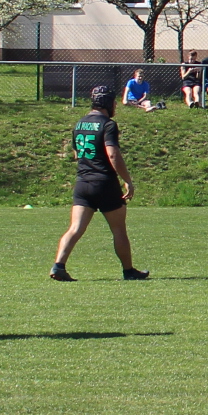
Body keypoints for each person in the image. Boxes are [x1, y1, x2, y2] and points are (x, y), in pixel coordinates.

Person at [51, 85, 148, 281]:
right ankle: (128, 270)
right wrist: (127, 180)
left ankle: (58, 266)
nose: (115, 106)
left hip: (83, 182)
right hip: (104, 183)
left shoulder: (80, 123)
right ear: (107, 103)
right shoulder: (108, 125)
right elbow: (112, 154)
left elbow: (77, 153)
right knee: (118, 229)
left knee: (75, 228)